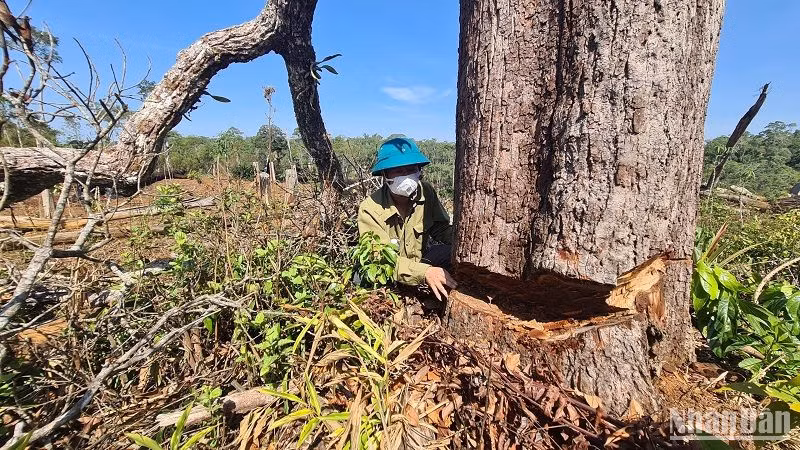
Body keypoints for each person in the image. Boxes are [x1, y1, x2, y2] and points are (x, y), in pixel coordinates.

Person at [357, 137, 458, 300]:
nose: (406, 175)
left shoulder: (426, 191)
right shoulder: (370, 209)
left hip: (420, 260)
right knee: (364, 284)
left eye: (411, 169)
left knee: (452, 254)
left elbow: (440, 228)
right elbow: (380, 261)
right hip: (388, 274)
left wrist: (463, 242)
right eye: (398, 170)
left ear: (419, 170)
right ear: (385, 174)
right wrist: (424, 272)